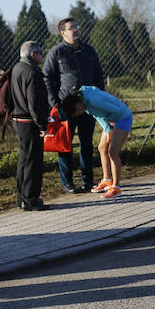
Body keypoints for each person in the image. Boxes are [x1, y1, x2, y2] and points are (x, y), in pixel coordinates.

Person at [43, 17, 105, 193]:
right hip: (66, 107)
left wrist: (98, 95)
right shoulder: (56, 53)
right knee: (65, 144)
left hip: (88, 104)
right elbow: (47, 78)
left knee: (87, 143)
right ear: (63, 33)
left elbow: (98, 75)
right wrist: (55, 103)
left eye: (77, 27)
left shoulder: (89, 51)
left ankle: (88, 180)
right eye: (71, 28)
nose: (76, 30)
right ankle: (67, 182)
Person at [61, 87, 132, 198]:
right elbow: (98, 115)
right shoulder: (84, 102)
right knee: (102, 148)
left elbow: (116, 111)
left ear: (76, 103)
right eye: (77, 113)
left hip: (122, 118)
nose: (80, 113)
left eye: (78, 111)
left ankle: (116, 188)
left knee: (113, 152)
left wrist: (112, 128)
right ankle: (107, 180)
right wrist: (108, 129)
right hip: (111, 121)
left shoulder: (93, 101)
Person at [10, 40, 50, 210]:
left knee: (24, 161)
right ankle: (31, 199)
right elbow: (34, 103)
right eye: (40, 52)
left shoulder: (17, 68)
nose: (42, 55)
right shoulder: (32, 72)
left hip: (17, 119)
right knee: (33, 162)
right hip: (29, 121)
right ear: (33, 54)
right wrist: (42, 125)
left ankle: (22, 198)